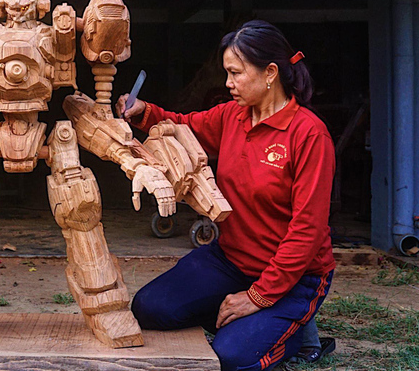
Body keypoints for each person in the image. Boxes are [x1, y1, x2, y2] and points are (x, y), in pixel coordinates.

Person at [116, 20, 336, 371]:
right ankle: (258, 322)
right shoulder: (232, 116)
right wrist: (144, 113)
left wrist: (257, 297)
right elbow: (182, 125)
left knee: (231, 356)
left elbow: (307, 232)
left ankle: (294, 332)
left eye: (235, 73)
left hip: (296, 276)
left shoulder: (308, 135)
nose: (228, 83)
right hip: (231, 258)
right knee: (149, 307)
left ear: (271, 73)